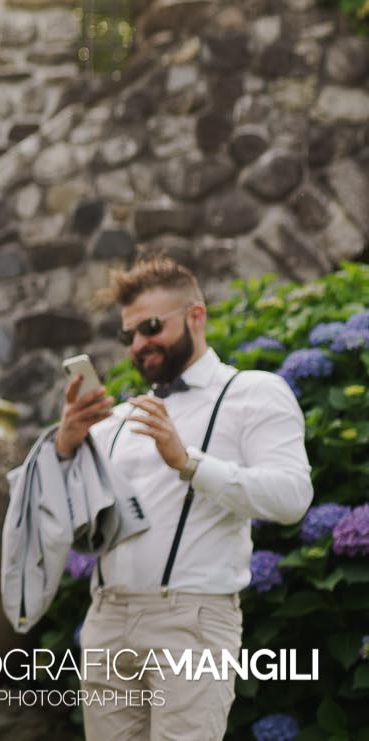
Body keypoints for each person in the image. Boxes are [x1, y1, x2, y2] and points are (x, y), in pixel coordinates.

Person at [55, 253, 312, 741]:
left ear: (196, 316)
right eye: (128, 333)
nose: (139, 343)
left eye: (151, 326)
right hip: (107, 620)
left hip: (191, 622)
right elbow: (68, 517)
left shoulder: (254, 392)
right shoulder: (121, 418)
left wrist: (189, 462)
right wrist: (66, 446)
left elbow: (292, 497)